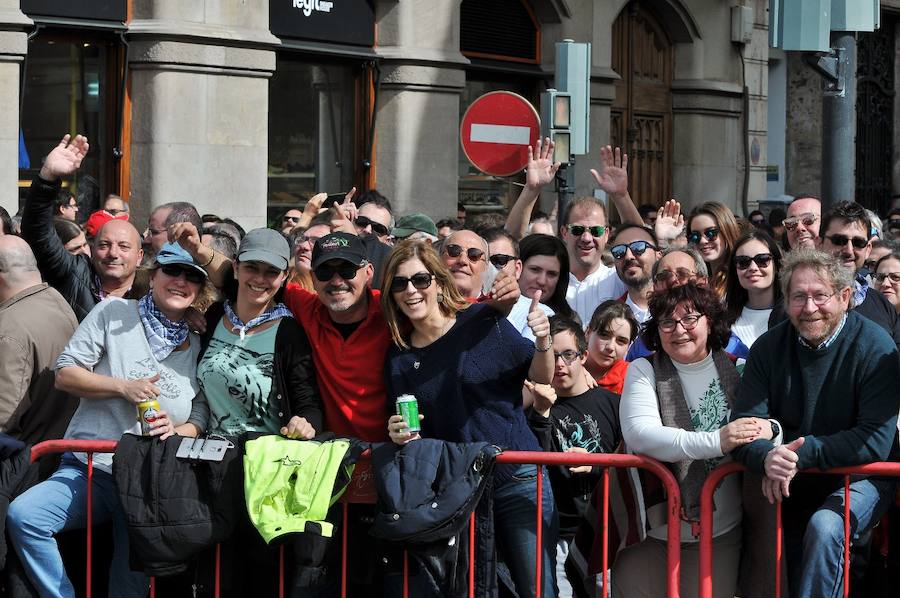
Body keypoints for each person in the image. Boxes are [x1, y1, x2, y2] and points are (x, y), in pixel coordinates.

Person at [7, 241, 209, 598]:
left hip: (149, 480)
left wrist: (178, 430)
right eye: (172, 271)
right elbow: (65, 374)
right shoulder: (114, 312)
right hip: (92, 469)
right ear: (153, 275)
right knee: (26, 516)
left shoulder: (196, 342)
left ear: (199, 288)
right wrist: (122, 387)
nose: (180, 281)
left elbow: (201, 412)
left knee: (128, 585)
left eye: (191, 276)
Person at [383, 239, 558, 598]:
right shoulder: (398, 357)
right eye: (400, 283)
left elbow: (541, 376)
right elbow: (413, 431)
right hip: (461, 491)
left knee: (536, 589)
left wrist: (543, 340)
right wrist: (398, 432)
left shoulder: (480, 321)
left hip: (516, 475)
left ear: (438, 281)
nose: (411, 290)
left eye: (420, 280)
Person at [730, 248, 900, 597]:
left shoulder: (875, 346)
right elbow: (746, 424)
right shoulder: (768, 348)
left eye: (820, 296)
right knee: (787, 567)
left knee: (826, 529)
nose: (809, 308)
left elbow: (873, 440)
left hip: (862, 474)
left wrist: (797, 456)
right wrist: (766, 457)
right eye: (799, 297)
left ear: (845, 297)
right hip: (789, 480)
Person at [613, 282, 774, 598]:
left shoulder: (739, 368)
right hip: (650, 535)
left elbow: (771, 424)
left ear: (710, 321)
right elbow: (640, 434)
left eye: (690, 319)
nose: (679, 330)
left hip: (720, 535)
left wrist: (772, 432)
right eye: (667, 322)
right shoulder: (643, 370)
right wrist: (718, 441)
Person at [526, 315, 622, 597]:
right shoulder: (534, 409)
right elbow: (534, 467)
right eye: (552, 356)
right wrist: (541, 413)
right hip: (558, 535)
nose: (559, 364)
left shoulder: (613, 404)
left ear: (582, 356)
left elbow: (633, 462)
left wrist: (597, 464)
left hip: (607, 531)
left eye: (567, 354)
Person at [197, 227, 322, 438]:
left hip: (260, 462)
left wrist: (305, 424)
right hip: (208, 455)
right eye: (251, 268)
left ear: (285, 276)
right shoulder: (215, 315)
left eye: (271, 271)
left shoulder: (289, 333)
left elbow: (309, 405)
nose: (259, 279)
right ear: (236, 268)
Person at [21, 134, 146, 321]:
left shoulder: (153, 292)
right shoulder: (74, 273)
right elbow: (37, 232)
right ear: (92, 249)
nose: (113, 253)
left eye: (124, 246)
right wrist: (48, 177)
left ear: (140, 256)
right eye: (104, 245)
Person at [0, 235, 78, 444]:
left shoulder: (8, 329)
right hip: (54, 452)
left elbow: (4, 418)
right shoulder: (55, 299)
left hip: (22, 462)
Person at [818, 201, 900, 343]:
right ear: (819, 244)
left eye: (858, 243)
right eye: (839, 240)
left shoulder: (882, 304)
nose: (849, 250)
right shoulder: (795, 304)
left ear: (868, 249)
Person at [484, 227, 554, 340]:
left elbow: (526, 356)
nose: (490, 269)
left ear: (517, 269)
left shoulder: (540, 314)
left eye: (500, 261)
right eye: (482, 261)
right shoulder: (461, 306)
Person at [723, 230, 784, 358]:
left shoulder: (794, 314)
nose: (753, 267)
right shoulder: (722, 317)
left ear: (776, 265)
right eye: (743, 262)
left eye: (762, 260)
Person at [686, 202, 741, 296]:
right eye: (695, 236)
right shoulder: (692, 279)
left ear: (727, 231)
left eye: (711, 233)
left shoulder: (741, 277)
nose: (703, 241)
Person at [609, 224, 660, 324]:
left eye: (638, 247)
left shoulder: (678, 307)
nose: (628, 256)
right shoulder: (608, 319)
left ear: (658, 255)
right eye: (619, 251)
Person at [584, 300, 639, 394]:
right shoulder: (561, 366)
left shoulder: (634, 379)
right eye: (604, 335)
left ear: (629, 346)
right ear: (588, 332)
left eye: (621, 341)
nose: (610, 347)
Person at [518, 233, 576, 321]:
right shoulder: (494, 309)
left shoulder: (570, 322)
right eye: (535, 270)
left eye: (551, 274)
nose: (542, 281)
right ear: (517, 268)